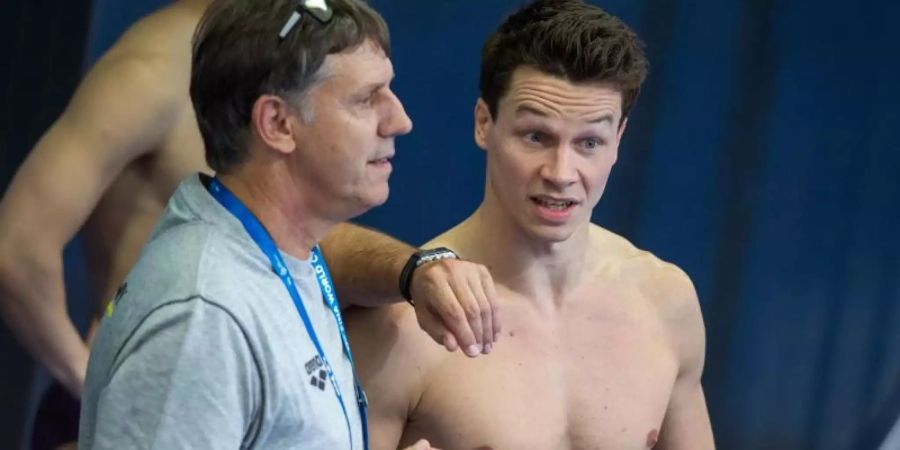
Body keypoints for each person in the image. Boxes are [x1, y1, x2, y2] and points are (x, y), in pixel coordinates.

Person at [1, 0, 498, 447]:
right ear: (278, 125)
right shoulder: (203, 318)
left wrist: (416, 271)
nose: (400, 121)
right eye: (368, 98)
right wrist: (84, 379)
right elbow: (14, 247)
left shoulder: (283, 257)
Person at [344, 1, 716, 449]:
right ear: (485, 123)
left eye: (589, 142)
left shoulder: (665, 303)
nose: (561, 172)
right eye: (536, 136)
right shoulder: (401, 327)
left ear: (618, 140)